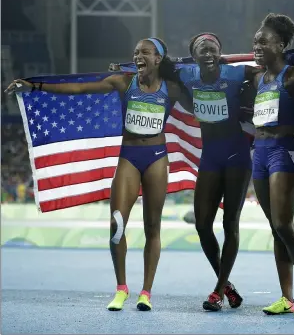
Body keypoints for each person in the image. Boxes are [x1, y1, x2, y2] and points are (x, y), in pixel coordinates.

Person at [6, 37, 193, 312]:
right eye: (135, 52)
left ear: (158, 59)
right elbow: (81, 87)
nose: (138, 55)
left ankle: (146, 292)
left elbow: (200, 102)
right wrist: (35, 86)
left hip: (156, 159)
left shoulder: (173, 89)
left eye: (145, 52)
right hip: (129, 158)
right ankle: (121, 288)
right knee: (117, 225)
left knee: (153, 227)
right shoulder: (123, 82)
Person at [179, 33, 262, 311]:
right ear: (194, 55)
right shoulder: (187, 74)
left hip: (237, 154)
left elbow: (266, 67)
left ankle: (217, 291)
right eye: (202, 48)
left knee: (230, 224)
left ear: (220, 53)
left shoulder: (236, 73)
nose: (208, 52)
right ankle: (227, 286)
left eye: (213, 48)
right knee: (202, 225)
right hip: (210, 157)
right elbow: (159, 68)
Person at [250, 13, 294, 318]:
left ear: (279, 45)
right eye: (254, 41)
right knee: (274, 228)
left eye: (262, 41)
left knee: (283, 225)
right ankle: (286, 297)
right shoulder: (256, 78)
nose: (255, 45)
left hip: (284, 150)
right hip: (259, 153)